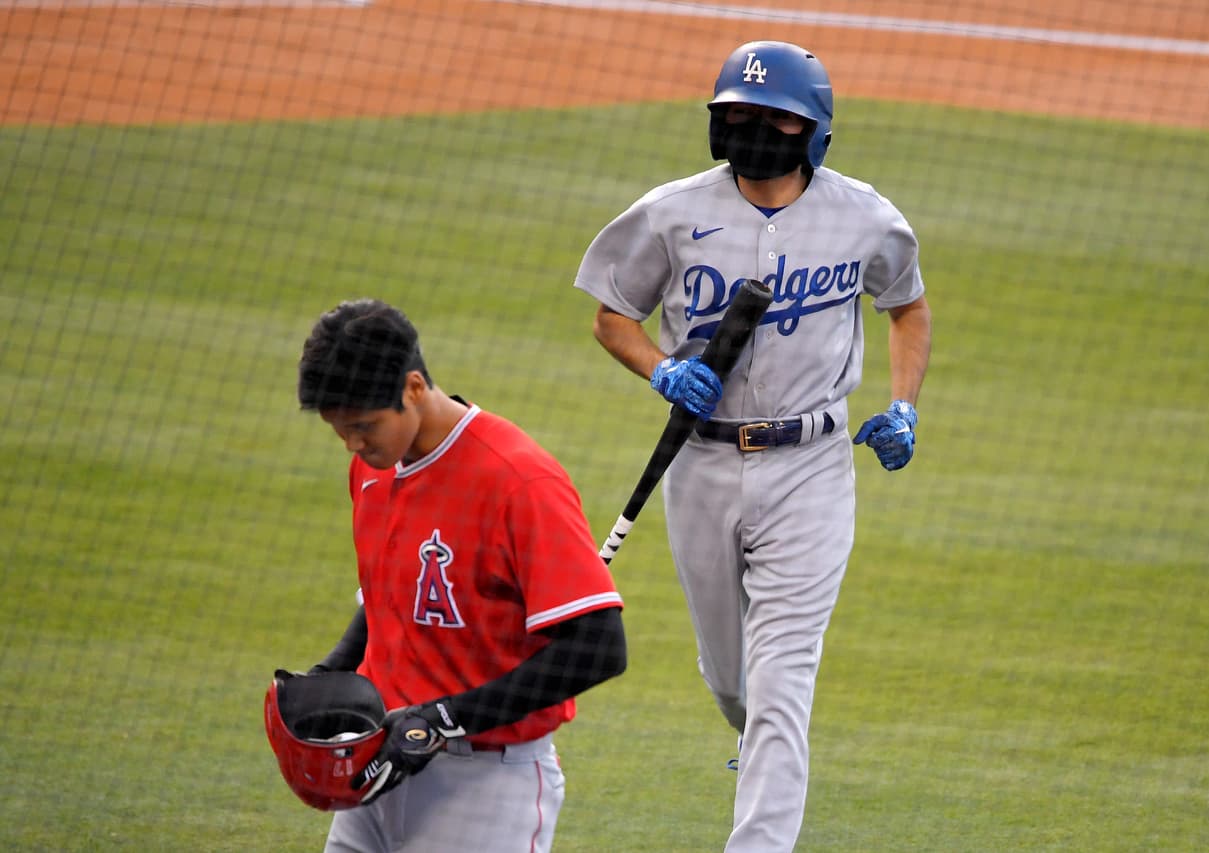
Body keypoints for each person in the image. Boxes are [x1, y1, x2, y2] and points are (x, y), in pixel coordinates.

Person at [572, 41, 932, 852]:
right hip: (698, 463)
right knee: (732, 679)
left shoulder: (865, 217)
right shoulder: (670, 212)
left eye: (774, 118)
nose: (754, 130)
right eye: (737, 115)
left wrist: (903, 406)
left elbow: (907, 305)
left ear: (814, 132)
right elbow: (610, 314)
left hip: (812, 467)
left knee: (780, 683)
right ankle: (754, 739)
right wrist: (662, 372)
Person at [285, 298, 627, 853]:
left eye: (364, 426)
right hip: (379, 766)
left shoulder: (518, 480)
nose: (352, 445)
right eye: (339, 429)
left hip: (484, 786)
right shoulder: (373, 469)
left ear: (414, 387)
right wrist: (331, 672)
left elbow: (599, 648)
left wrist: (444, 719)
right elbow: (386, 599)